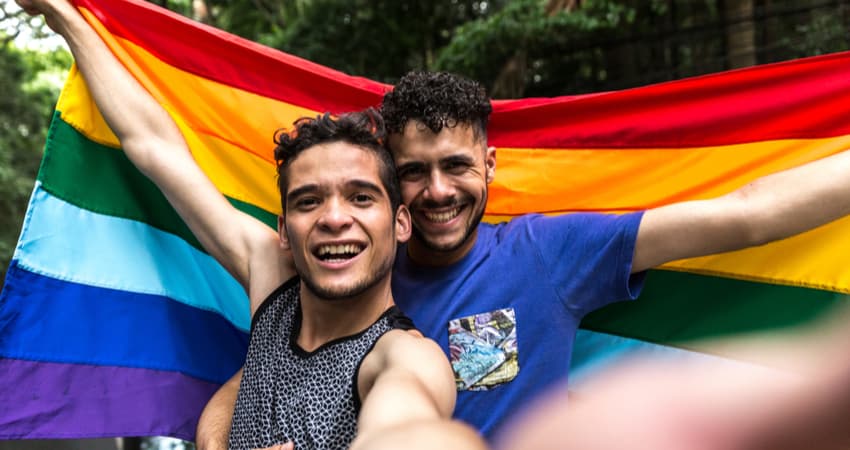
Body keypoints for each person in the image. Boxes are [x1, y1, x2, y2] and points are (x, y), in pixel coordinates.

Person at [199, 70, 850, 445]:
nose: (438, 192)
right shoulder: (348, 268)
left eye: (456, 166)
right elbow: (163, 160)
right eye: (414, 173)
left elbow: (749, 213)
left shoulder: (549, 252)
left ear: (489, 165)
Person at [15, 1, 486, 450]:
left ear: (400, 222)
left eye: (361, 197)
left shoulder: (405, 355)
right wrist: (62, 15)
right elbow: (154, 148)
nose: (335, 218)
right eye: (309, 200)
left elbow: (406, 424)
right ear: (284, 230)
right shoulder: (271, 277)